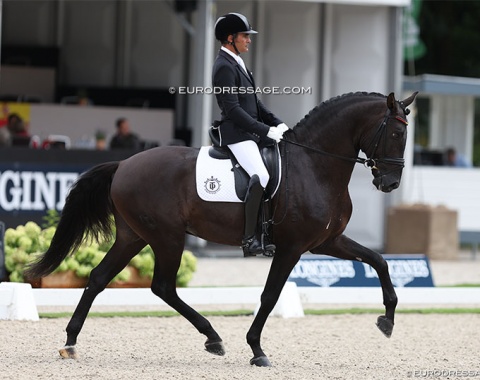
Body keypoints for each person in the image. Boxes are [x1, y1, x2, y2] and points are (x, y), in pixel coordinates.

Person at [212, 12, 289, 257]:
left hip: (249, 132)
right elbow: (232, 109)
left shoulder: (237, 62)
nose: (249, 40)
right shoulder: (224, 66)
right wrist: (265, 131)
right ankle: (249, 238)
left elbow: (254, 104)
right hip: (236, 134)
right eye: (245, 36)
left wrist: (279, 124)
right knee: (261, 175)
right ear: (230, 38)